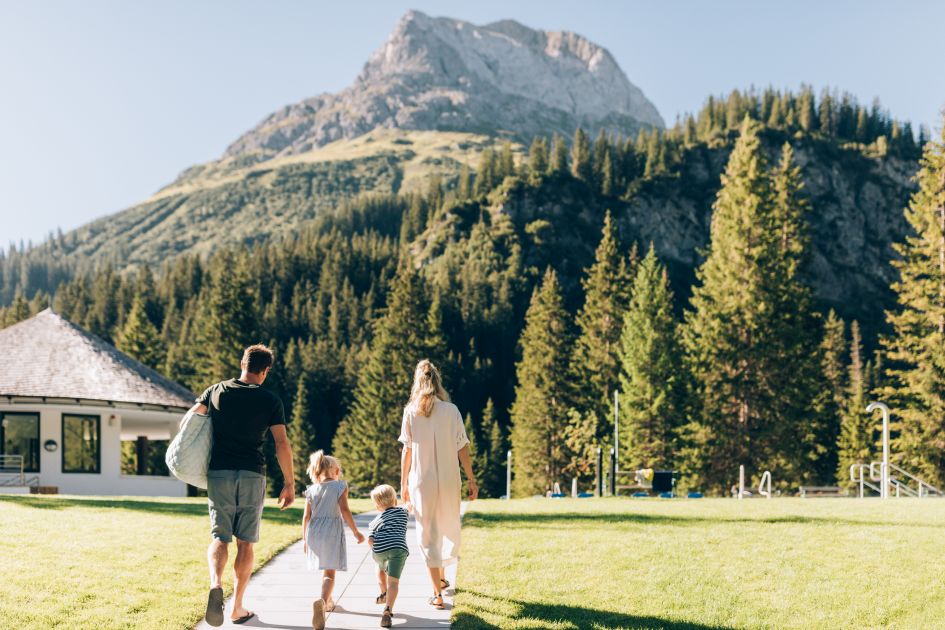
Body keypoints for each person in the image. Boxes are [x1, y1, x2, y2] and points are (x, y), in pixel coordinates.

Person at [193, 344, 295, 627]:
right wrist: (289, 482)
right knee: (245, 542)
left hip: (220, 472)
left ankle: (216, 583)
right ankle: (237, 607)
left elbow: (190, 421)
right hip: (252, 473)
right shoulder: (270, 400)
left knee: (219, 535)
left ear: (242, 363)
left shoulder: (216, 391)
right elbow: (281, 443)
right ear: (265, 371)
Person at [399, 359, 478, 610]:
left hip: (422, 480)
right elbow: (462, 446)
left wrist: (403, 483)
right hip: (448, 479)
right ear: (437, 380)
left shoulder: (411, 411)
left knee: (428, 532)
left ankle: (438, 591)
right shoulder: (451, 410)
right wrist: (471, 478)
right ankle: (441, 581)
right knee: (446, 526)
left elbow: (407, 451)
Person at [302, 450, 365, 630]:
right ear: (336, 471)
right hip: (331, 532)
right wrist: (356, 532)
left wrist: (305, 539)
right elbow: (344, 510)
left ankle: (328, 602)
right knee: (330, 573)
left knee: (324, 569)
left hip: (314, 532)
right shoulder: (340, 486)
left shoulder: (311, 490)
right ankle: (322, 601)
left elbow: (306, 517)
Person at [367, 484, 410, 628]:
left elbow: (370, 541)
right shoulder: (403, 512)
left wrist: (377, 550)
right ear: (394, 499)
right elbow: (410, 505)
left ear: (377, 505)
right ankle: (387, 610)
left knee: (379, 567)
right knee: (394, 582)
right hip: (398, 548)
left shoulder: (374, 521)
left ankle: (383, 592)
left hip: (380, 549)